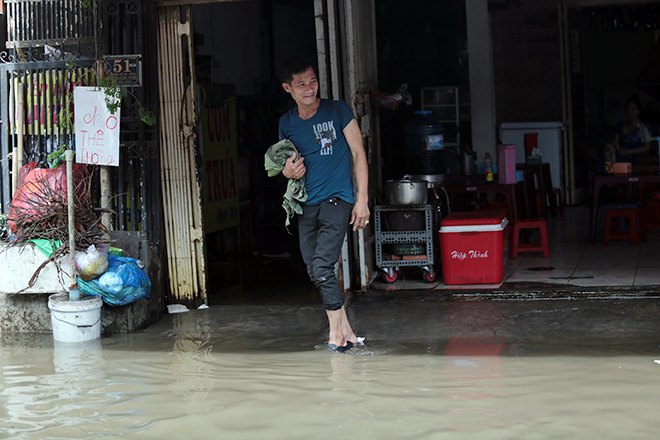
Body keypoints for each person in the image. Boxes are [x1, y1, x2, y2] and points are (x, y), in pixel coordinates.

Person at [278, 59, 370, 353]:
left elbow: (358, 153)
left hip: (337, 199)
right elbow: (284, 163)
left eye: (312, 81)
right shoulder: (287, 123)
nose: (309, 88)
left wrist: (362, 200)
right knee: (314, 270)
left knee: (321, 267)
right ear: (288, 88)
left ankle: (336, 338)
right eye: (302, 83)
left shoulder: (338, 110)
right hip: (306, 205)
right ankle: (349, 333)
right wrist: (287, 172)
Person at [610, 94, 653, 163]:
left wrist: (628, 151)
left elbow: (647, 148)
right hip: (619, 154)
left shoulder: (645, 126)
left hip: (635, 157)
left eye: (633, 109)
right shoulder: (620, 127)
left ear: (638, 111)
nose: (630, 112)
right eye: (628, 109)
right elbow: (615, 142)